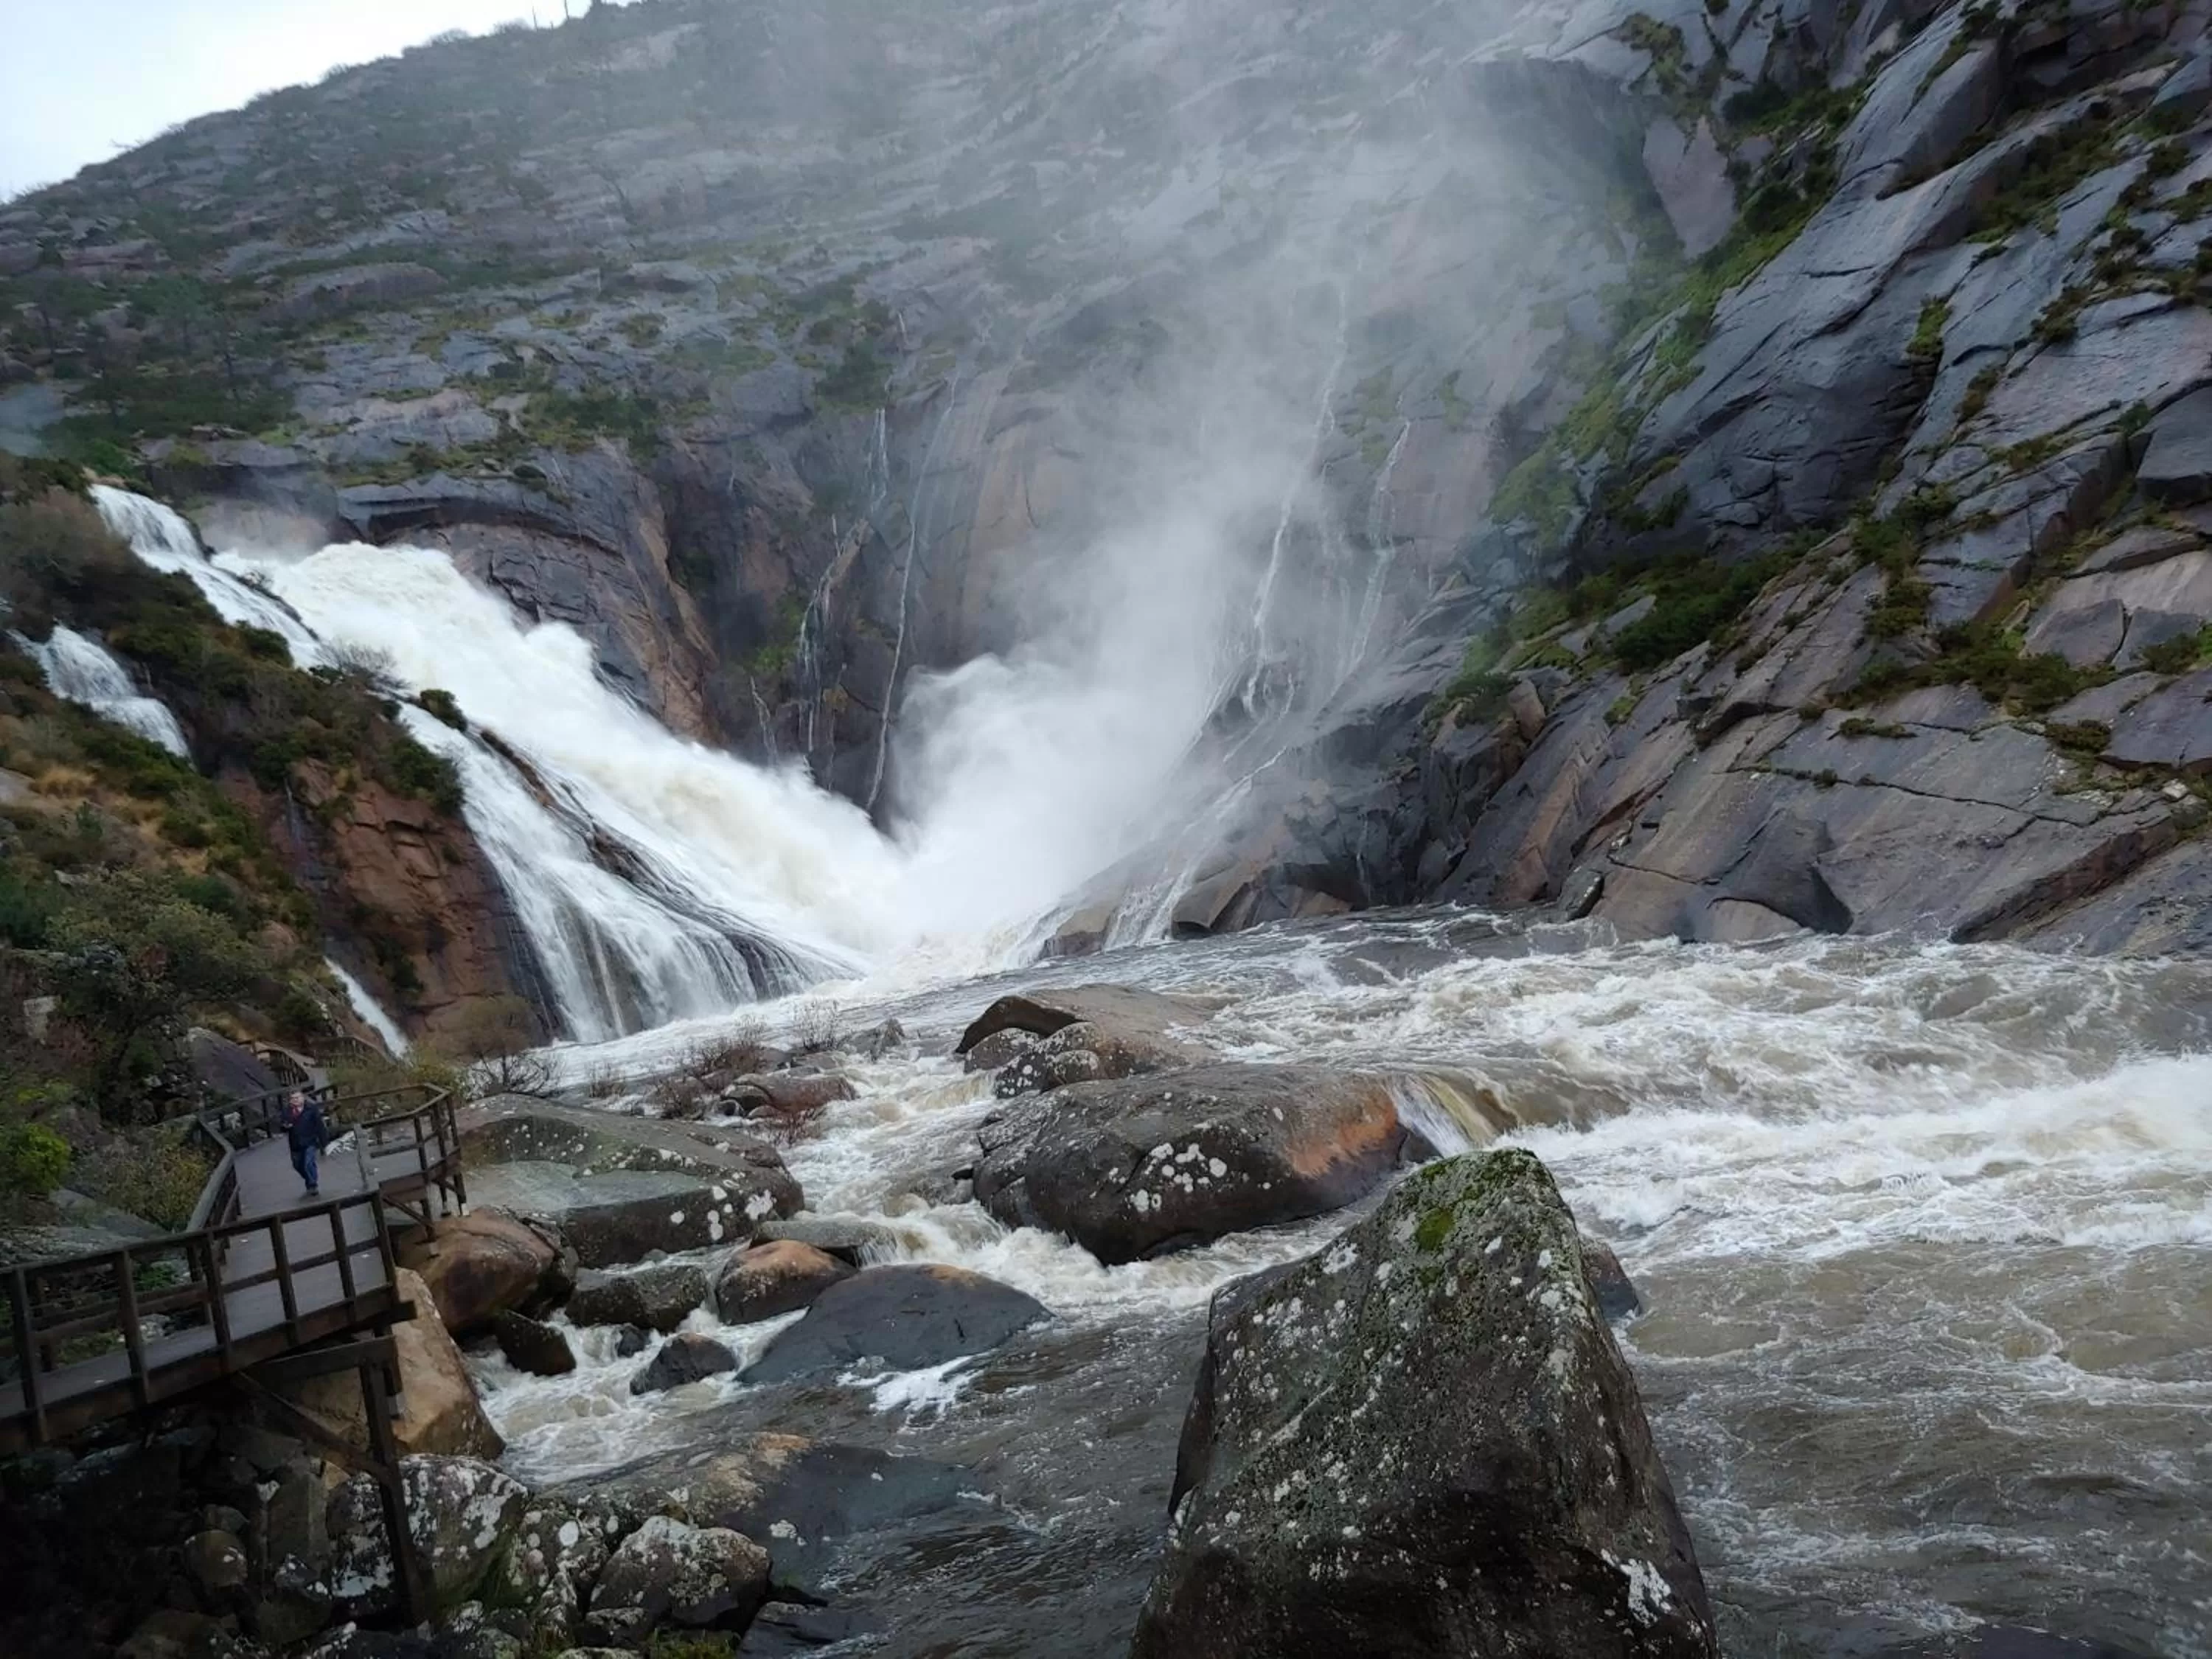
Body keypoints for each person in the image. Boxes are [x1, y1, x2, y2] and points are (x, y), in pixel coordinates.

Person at [281, 1091, 327, 1197]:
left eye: (297, 1097)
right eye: (293, 1098)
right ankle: (309, 1179)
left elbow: (320, 1125)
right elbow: (282, 1125)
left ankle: (313, 1185)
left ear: (303, 1098)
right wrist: (285, 1126)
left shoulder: (311, 1109)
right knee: (298, 1165)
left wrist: (323, 1141)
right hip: (295, 1143)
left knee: (308, 1163)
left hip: (310, 1141)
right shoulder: (287, 1111)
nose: (295, 1100)